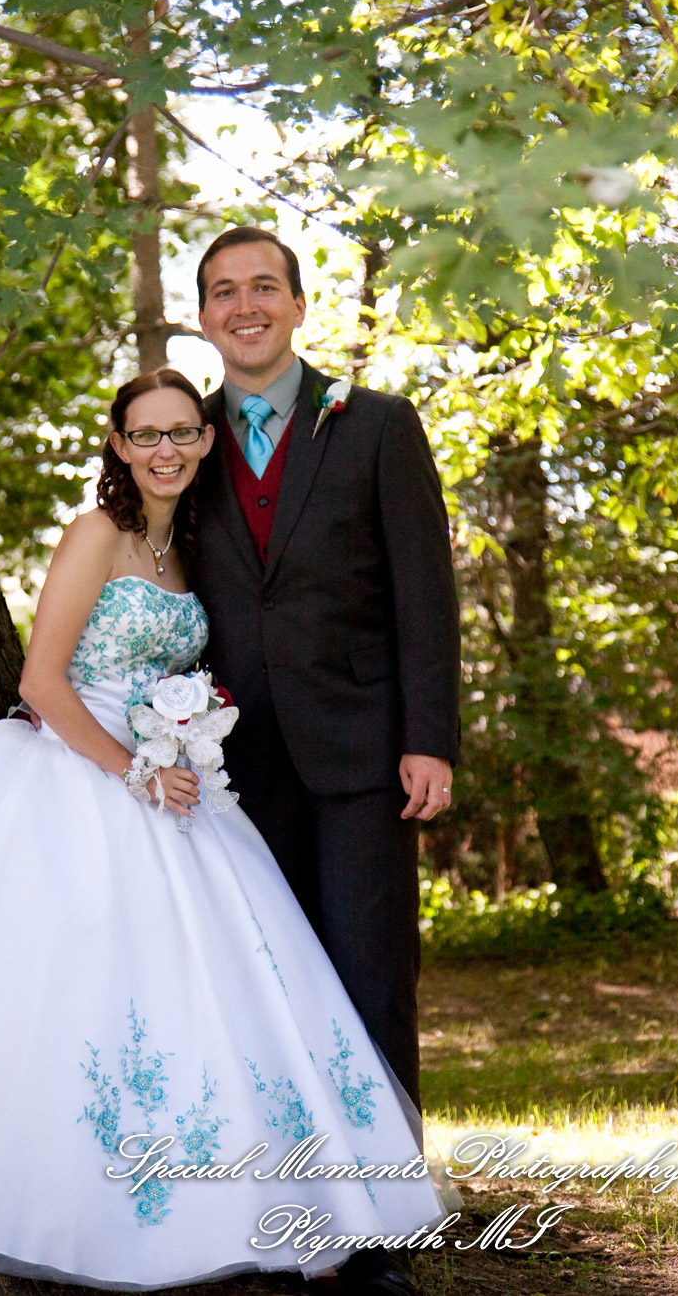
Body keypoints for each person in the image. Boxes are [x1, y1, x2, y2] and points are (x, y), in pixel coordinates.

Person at [0, 367, 454, 1291]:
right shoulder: (95, 536)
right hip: (73, 776)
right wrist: (135, 771)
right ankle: (90, 1216)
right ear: (117, 444)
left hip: (168, 781)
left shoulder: (187, 552)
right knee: (87, 991)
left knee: (215, 992)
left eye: (183, 434)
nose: (165, 451)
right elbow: (41, 682)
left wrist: (175, 750)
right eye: (145, 434)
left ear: (205, 443)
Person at [192, 227, 463, 1296]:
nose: (243, 304)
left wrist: (428, 736)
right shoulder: (182, 436)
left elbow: (422, 597)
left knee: (366, 980)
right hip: (228, 767)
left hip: (359, 752)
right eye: (222, 291)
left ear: (297, 307)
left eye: (263, 287)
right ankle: (290, 1211)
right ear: (204, 316)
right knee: (261, 997)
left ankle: (386, 1235)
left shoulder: (377, 426)